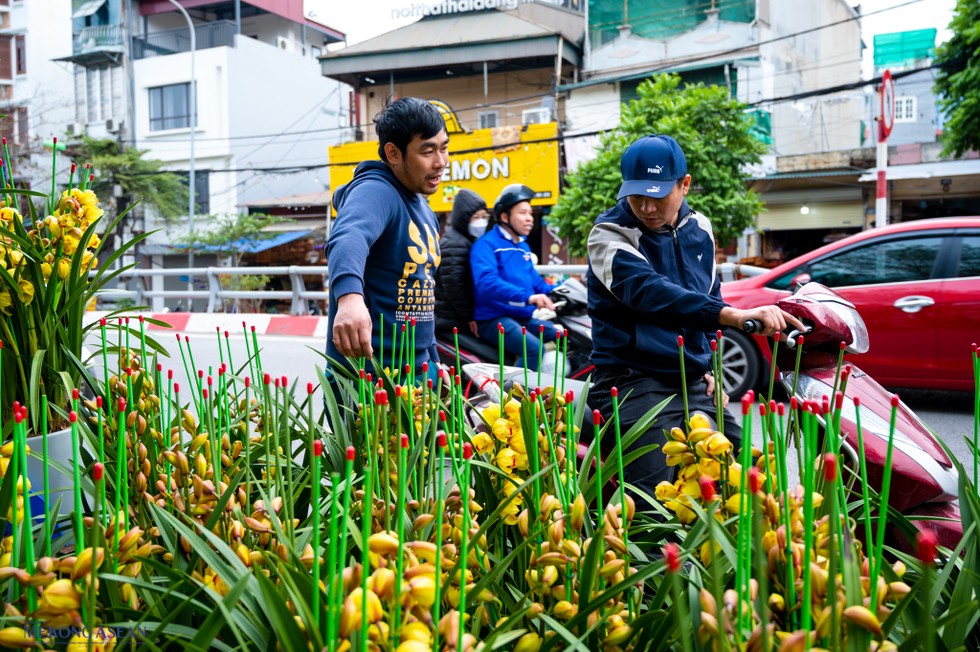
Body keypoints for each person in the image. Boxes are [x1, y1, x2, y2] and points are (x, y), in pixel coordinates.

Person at [586, 134, 804, 503]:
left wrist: (709, 367)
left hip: (690, 381)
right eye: (636, 196)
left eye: (657, 196)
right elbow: (650, 292)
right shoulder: (608, 234)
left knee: (750, 477)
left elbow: (707, 299)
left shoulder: (700, 228)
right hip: (632, 380)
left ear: (684, 185)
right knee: (651, 502)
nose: (646, 207)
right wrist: (734, 315)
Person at [326, 97, 449, 381]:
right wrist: (349, 299)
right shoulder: (375, 191)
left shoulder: (424, 210)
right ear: (393, 153)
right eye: (427, 151)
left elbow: (423, 291)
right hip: (372, 377)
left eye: (443, 148)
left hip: (419, 370)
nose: (440, 162)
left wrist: (433, 359)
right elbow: (349, 237)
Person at [470, 183, 559, 372]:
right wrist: (529, 297)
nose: (530, 218)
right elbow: (487, 283)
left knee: (563, 335)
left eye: (530, 213)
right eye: (523, 213)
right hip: (494, 318)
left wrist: (559, 290)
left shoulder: (522, 246)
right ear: (504, 217)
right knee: (534, 349)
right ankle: (513, 391)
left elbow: (534, 281)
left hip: (520, 316)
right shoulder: (486, 245)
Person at [434, 188, 489, 336]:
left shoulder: (466, 240)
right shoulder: (454, 244)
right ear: (463, 218)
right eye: (476, 217)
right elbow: (455, 287)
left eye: (483, 216)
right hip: (452, 321)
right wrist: (469, 316)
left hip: (456, 318)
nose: (481, 222)